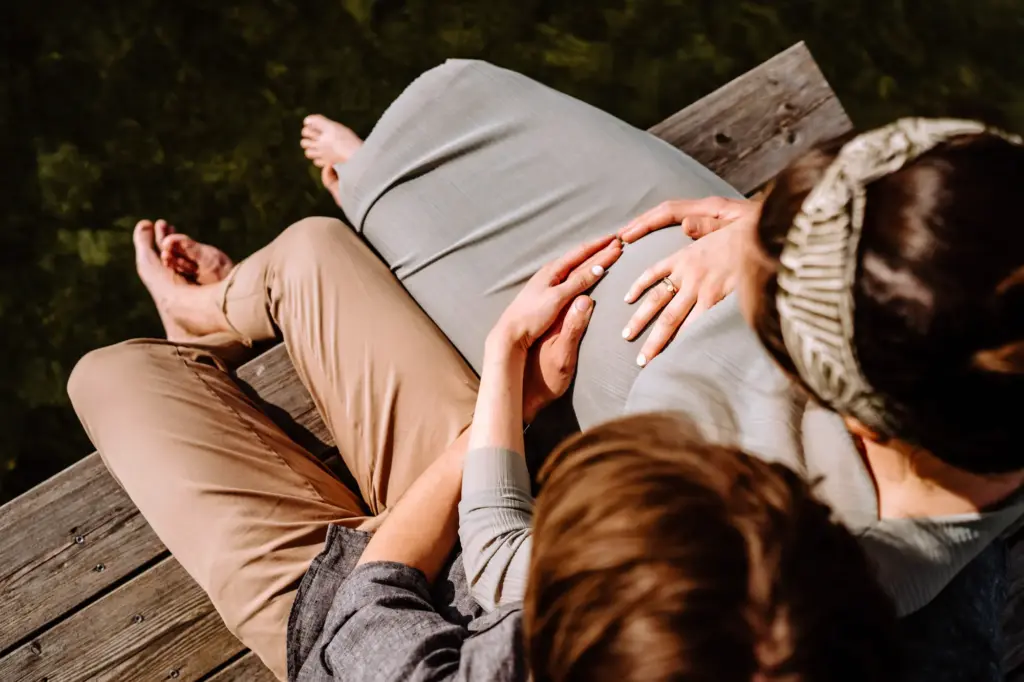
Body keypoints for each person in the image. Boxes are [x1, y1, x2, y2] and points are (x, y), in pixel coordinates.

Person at [297, 61, 1020, 678]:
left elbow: (506, 565)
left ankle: (368, 189)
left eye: (789, 318)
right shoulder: (977, 392)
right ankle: (376, 184)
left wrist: (503, 364)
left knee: (394, 192)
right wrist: (767, 235)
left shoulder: (775, 546)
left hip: (583, 343)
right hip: (683, 264)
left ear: (855, 410)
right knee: (460, 88)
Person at [70, 210, 898, 681]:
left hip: (335, 614)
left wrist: (506, 397)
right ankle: (208, 310)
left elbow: (367, 614)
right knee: (312, 247)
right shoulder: (808, 628)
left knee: (107, 375)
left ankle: (189, 335)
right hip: (494, 522)